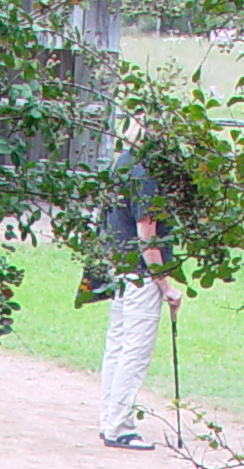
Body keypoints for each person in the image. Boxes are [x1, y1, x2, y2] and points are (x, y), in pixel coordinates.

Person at [87, 157, 183, 449]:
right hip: (141, 275)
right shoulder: (147, 173)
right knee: (134, 351)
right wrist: (165, 284)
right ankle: (120, 427)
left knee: (116, 346)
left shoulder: (124, 162)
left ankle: (111, 421)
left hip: (119, 269)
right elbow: (146, 233)